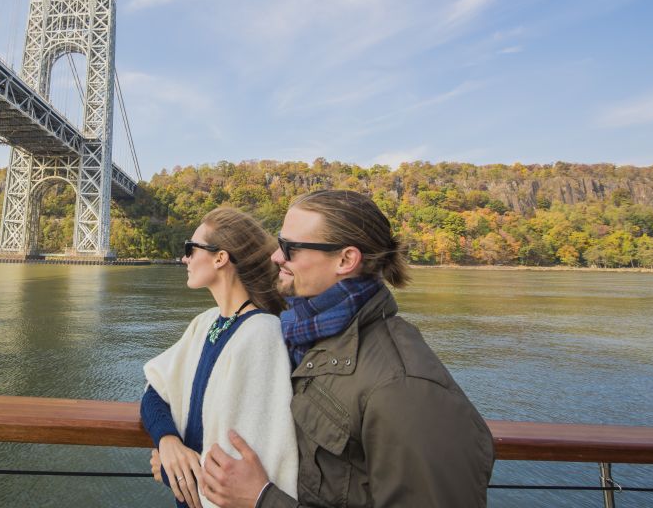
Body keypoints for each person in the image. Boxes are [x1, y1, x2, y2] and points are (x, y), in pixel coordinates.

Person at [200, 190, 495, 508]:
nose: (276, 257)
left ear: (345, 260)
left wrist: (261, 499)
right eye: (278, 242)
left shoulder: (404, 387)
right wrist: (173, 443)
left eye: (290, 248)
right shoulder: (304, 338)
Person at [142, 207, 299, 508]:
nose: (185, 258)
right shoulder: (208, 323)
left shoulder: (262, 334)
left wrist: (167, 469)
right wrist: (168, 442)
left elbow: (241, 476)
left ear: (220, 258)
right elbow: (153, 390)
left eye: (191, 248)